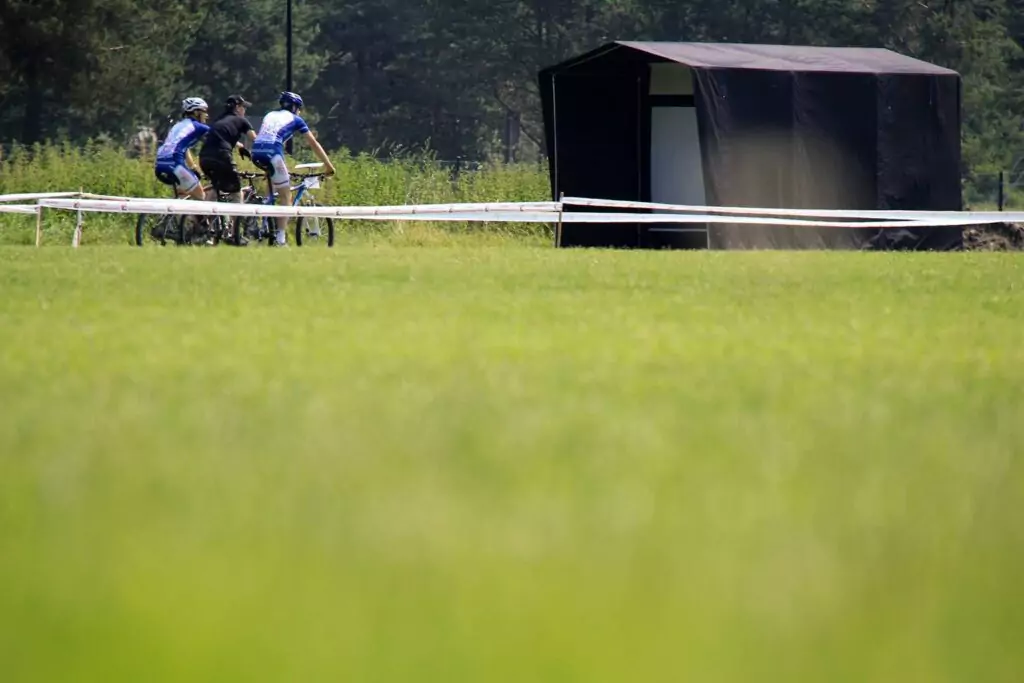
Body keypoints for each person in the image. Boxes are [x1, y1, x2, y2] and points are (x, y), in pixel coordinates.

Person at [251, 91, 336, 246]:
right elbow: (313, 144)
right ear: (295, 107)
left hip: (255, 151)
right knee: (285, 196)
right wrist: (328, 165)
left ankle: (263, 222)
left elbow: (265, 136)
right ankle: (280, 239)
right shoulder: (296, 119)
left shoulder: (269, 115)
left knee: (272, 188)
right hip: (273, 152)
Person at [199, 94, 257, 204]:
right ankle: (236, 220)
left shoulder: (219, 120)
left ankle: (204, 219)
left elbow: (220, 136)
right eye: (243, 107)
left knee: (216, 187)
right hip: (222, 156)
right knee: (236, 191)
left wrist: (240, 147)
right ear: (237, 107)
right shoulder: (241, 120)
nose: (244, 110)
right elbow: (255, 139)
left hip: (204, 157)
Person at [154, 97, 210, 200]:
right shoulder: (197, 126)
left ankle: (176, 215)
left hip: (160, 163)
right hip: (174, 164)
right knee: (201, 196)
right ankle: (185, 215)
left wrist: (193, 167)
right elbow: (220, 135)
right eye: (204, 111)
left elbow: (184, 148)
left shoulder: (178, 125)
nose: (207, 115)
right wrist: (239, 145)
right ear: (196, 112)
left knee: (185, 193)